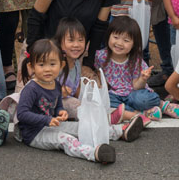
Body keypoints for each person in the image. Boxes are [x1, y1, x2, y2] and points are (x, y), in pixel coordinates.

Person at [15, 39, 143, 164]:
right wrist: (47, 120)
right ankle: (93, 153)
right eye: (41, 65)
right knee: (66, 139)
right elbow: (22, 114)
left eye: (52, 64)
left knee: (83, 126)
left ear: (61, 65)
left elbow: (58, 105)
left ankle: (120, 131)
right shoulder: (31, 88)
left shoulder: (56, 84)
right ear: (31, 66)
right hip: (34, 133)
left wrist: (61, 112)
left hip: (51, 124)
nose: (47, 69)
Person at [95, 16, 179, 123]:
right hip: (113, 95)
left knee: (141, 99)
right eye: (116, 37)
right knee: (106, 102)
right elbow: (96, 76)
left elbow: (136, 86)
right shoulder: (100, 56)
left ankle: (162, 105)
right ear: (108, 36)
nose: (120, 43)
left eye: (126, 40)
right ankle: (143, 113)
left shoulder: (135, 60)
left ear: (134, 44)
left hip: (133, 93)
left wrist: (143, 79)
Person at [55, 18, 89, 119]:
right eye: (71, 40)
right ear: (60, 42)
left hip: (70, 104)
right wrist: (59, 92)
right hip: (55, 105)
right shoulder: (55, 64)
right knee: (77, 105)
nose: (76, 45)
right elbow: (42, 89)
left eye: (80, 40)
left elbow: (77, 87)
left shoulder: (77, 63)